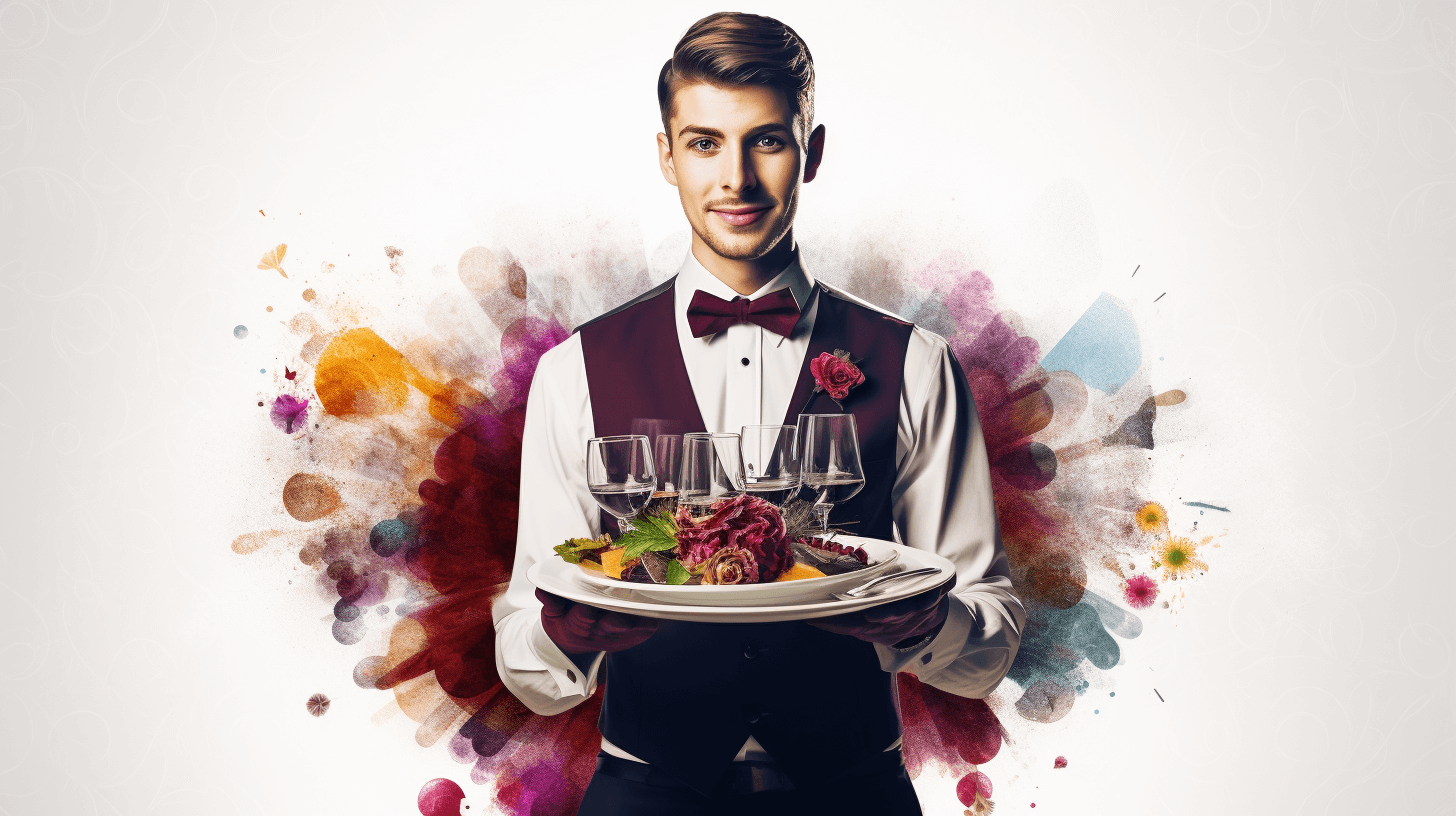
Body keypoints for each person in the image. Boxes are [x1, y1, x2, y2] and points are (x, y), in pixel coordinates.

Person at [492, 12, 1025, 816]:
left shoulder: (915, 364)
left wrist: (927, 623)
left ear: (811, 153)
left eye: (766, 141)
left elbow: (988, 637)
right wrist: (564, 636)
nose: (734, 178)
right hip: (644, 792)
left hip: (854, 794)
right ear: (667, 156)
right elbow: (525, 655)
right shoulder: (575, 372)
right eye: (705, 142)